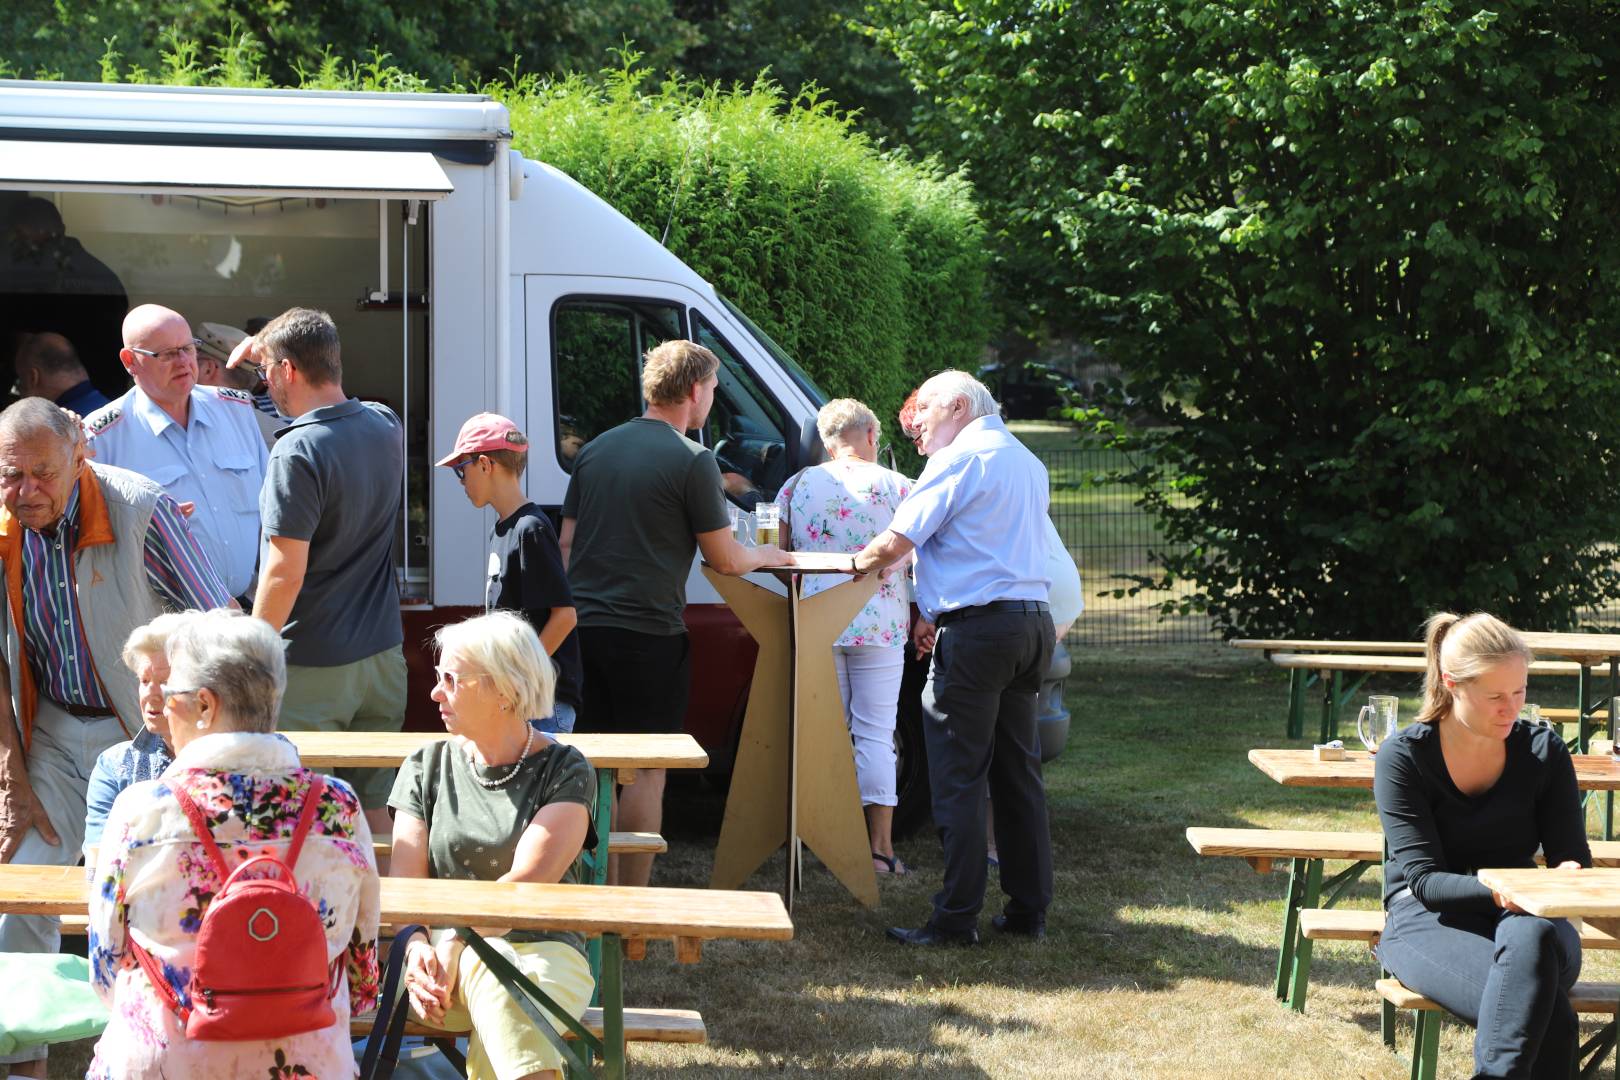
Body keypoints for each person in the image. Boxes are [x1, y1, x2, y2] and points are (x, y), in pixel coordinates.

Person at [0, 397, 232, 1077]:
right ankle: (24, 1062)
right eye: (12, 476)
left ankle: (176, 1053)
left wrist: (200, 747)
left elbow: (218, 633)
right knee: (21, 888)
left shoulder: (139, 509)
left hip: (147, 742)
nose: (27, 491)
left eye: (42, 473)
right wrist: (11, 772)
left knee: (160, 903)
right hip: (49, 734)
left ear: (81, 455)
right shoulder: (2, 524)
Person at [86, 608, 380, 1080]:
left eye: (170, 695)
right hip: (309, 1062)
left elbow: (104, 967)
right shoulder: (338, 806)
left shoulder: (140, 811)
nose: (161, 706)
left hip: (168, 1062)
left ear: (204, 705)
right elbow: (364, 978)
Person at [559, 338, 786, 886]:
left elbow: (565, 547)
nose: (711, 398)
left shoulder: (595, 450)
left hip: (583, 634)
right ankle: (629, 906)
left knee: (592, 769)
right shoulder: (694, 459)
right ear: (693, 391)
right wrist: (770, 554)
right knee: (646, 772)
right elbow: (726, 559)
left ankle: (593, 895)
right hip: (649, 636)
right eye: (711, 388)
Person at [851, 370, 1054, 947]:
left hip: (979, 632)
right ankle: (1027, 909)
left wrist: (849, 565)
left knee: (959, 776)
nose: (920, 429)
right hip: (1030, 625)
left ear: (959, 406)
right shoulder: (1027, 461)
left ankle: (955, 917)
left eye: (927, 417)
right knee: (1018, 773)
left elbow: (896, 541)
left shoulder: (961, 459)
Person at [1373, 612, 1590, 1079]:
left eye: (1520, 692)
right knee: (1548, 1014)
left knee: (1531, 937)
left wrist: (1567, 876)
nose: (1510, 708)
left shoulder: (1543, 751)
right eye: (1495, 696)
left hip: (1531, 921)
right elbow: (1426, 882)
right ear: (1451, 683)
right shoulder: (1405, 757)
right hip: (1426, 920)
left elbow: (1571, 856)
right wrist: (1500, 892)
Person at [388, 611, 595, 1080]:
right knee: (495, 976)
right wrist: (416, 946)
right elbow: (405, 891)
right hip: (433, 968)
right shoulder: (425, 765)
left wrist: (460, 944)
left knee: (495, 977)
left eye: (452, 680)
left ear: (503, 690)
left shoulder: (564, 769)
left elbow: (524, 888)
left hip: (546, 953)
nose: (435, 692)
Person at [227, 307, 405, 837]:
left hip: (312, 667)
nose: (265, 386)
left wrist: (253, 657)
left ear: (285, 372)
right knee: (375, 816)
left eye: (267, 375)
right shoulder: (384, 423)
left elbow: (283, 573)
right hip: (383, 662)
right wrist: (265, 342)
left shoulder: (296, 450)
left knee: (300, 820)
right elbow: (303, 335)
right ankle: (392, 921)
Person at [776, 398, 912, 876]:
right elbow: (916, 553)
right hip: (881, 623)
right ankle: (879, 849)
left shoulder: (797, 485)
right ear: (872, 436)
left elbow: (777, 553)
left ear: (827, 442)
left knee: (824, 734)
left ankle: (822, 840)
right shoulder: (897, 485)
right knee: (875, 733)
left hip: (818, 621)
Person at [85, 304, 269, 604]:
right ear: (130, 361)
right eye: (167, 354)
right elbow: (97, 546)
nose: (183, 361)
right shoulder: (102, 438)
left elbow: (271, 509)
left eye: (187, 348)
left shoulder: (236, 411)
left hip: (248, 606)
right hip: (167, 621)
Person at [438, 412, 583, 733]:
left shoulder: (529, 529)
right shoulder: (503, 529)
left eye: (462, 471)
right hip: (520, 699)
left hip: (542, 704)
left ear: (486, 464)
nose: (462, 482)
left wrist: (518, 676)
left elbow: (565, 617)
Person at [0, 197, 129, 400]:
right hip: (105, 392)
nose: (11, 242)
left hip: (63, 399)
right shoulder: (99, 274)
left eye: (16, 234)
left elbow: (23, 340)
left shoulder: (31, 279)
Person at [82, 613, 186, 855]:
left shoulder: (234, 761)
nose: (151, 693)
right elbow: (98, 859)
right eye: (144, 680)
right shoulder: (115, 765)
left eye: (165, 680)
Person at [196, 321, 282, 447]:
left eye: (190, 356)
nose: (184, 366)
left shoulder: (189, 430)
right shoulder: (282, 435)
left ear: (207, 369)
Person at [12, 331, 110, 415]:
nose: (19, 391)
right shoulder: (116, 408)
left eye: (20, 381)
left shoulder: (55, 430)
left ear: (32, 378)